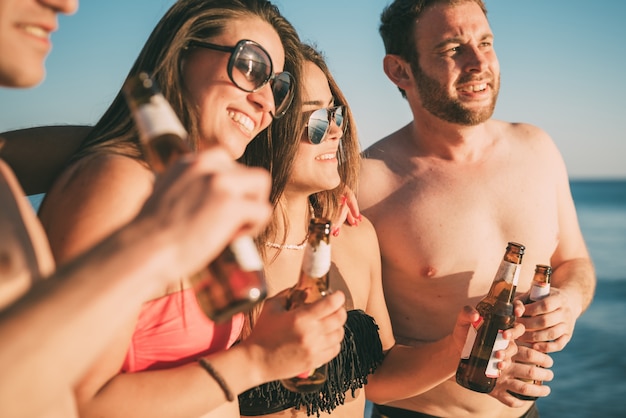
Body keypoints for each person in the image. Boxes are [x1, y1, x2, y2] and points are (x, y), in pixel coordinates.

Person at [0, 1, 346, 418]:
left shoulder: (189, 195)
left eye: (277, 86)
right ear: (181, 54)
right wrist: (256, 361)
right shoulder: (121, 184)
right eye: (250, 66)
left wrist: (334, 192)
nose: (265, 103)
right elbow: (77, 402)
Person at [235, 43, 522, 418]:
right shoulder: (222, 255)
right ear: (264, 126)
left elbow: (378, 379)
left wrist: (456, 349)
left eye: (335, 113)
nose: (335, 130)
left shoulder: (355, 237)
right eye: (316, 120)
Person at [358, 1, 596, 417]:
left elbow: (573, 260)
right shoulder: (366, 184)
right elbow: (364, 372)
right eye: (452, 49)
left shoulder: (537, 148)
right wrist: (466, 364)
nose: (479, 62)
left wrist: (570, 301)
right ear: (400, 70)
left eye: (485, 42)